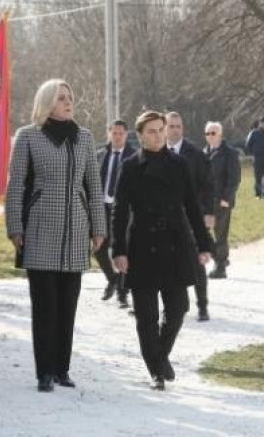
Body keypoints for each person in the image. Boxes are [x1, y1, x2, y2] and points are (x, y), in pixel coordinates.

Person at [5, 79, 106, 393]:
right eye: (61, 97)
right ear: (47, 101)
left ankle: (62, 369)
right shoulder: (28, 137)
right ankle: (44, 372)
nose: (68, 102)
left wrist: (99, 227)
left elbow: (94, 187)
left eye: (70, 97)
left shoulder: (85, 138)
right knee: (44, 306)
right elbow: (16, 185)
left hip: (76, 230)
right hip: (39, 229)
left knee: (68, 305)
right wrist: (14, 226)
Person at [112, 111, 213, 391]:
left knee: (179, 307)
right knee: (146, 317)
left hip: (174, 245)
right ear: (141, 135)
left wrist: (203, 245)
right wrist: (118, 250)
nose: (159, 135)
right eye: (152, 131)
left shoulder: (179, 165)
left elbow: (192, 206)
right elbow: (120, 212)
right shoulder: (130, 167)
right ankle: (157, 369)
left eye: (161, 129)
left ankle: (160, 356)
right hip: (142, 247)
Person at [165, 111, 215, 321]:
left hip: (192, 218)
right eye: (172, 126)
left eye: (179, 126)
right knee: (168, 264)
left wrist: (209, 213)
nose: (176, 129)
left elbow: (208, 185)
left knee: (197, 262)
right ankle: (175, 306)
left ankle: (202, 305)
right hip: (166, 219)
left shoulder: (194, 154)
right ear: (165, 128)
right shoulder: (157, 152)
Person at [95, 120, 136, 308]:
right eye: (114, 132)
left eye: (121, 133)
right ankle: (112, 279)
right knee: (98, 248)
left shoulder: (134, 156)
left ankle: (122, 293)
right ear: (109, 133)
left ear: (126, 135)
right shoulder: (100, 155)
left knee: (123, 251)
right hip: (102, 208)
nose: (117, 136)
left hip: (123, 210)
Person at [204, 121, 241, 280]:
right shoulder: (204, 152)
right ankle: (220, 258)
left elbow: (234, 178)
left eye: (213, 133)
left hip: (221, 200)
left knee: (220, 233)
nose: (210, 136)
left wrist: (227, 197)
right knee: (201, 231)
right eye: (208, 133)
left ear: (220, 134)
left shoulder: (229, 153)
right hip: (206, 200)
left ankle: (220, 266)